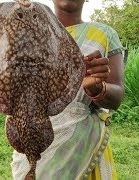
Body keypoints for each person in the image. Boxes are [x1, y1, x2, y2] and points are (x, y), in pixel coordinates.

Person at [11, 0, 125, 179]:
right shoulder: (27, 33)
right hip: (32, 135)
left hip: (84, 146)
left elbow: (117, 96)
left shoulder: (104, 34)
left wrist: (96, 87)